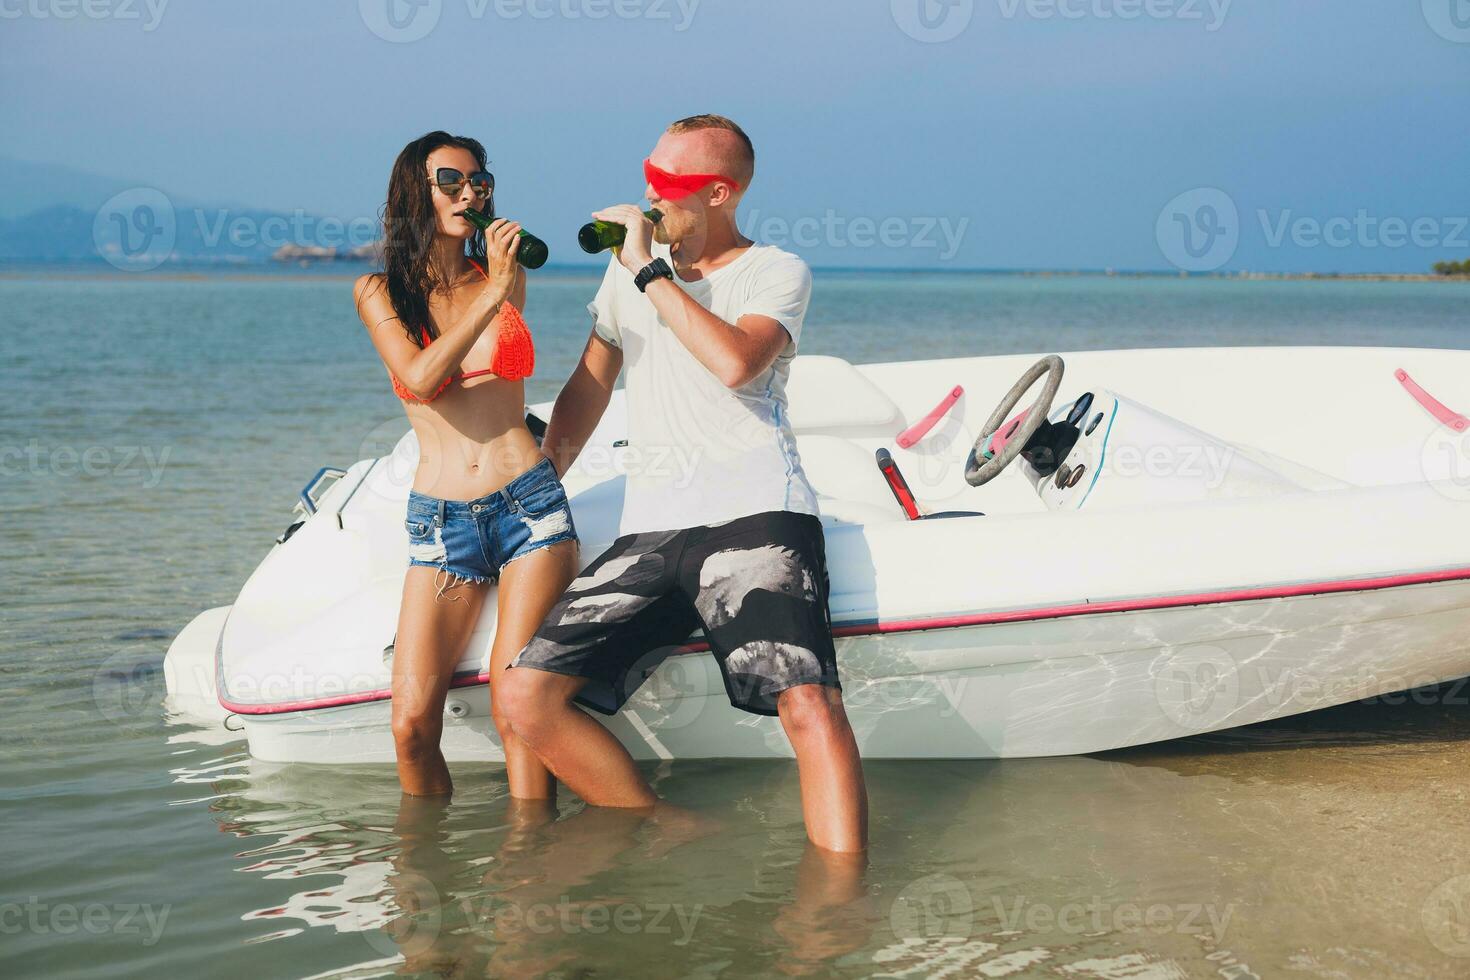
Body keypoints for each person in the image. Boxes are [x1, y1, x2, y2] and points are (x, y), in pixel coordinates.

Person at [499, 115, 868, 853]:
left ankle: (838, 906)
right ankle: (662, 825)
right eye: (648, 175)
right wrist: (539, 487)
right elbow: (589, 386)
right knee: (524, 696)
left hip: (756, 513)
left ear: (721, 193)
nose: (648, 195)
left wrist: (650, 273)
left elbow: (737, 364)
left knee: (807, 703)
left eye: (667, 185)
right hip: (653, 528)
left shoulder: (774, 271)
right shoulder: (629, 273)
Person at [353, 131, 580, 799]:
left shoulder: (501, 279)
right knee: (411, 726)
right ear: (414, 193)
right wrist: (496, 289)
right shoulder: (378, 291)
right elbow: (422, 377)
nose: (469, 191)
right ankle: (423, 879)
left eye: (479, 181)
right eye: (450, 180)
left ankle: (527, 880)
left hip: (527, 510)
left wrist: (501, 281)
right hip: (442, 525)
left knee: (519, 715)